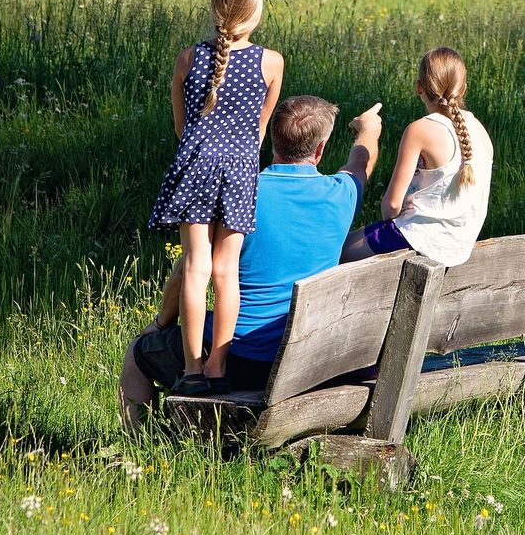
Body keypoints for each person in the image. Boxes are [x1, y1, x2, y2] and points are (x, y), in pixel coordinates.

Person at [120, 96, 383, 432]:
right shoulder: (341, 193)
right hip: (309, 356)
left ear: (273, 139)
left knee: (139, 353)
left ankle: (140, 445)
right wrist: (368, 130)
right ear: (319, 150)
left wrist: (161, 323)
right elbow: (361, 163)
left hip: (239, 356)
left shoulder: (242, 195)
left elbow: (192, 267)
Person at [145, 0, 284, 397]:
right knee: (227, 272)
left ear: (214, 9)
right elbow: (260, 130)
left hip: (195, 164)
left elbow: (180, 126)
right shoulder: (271, 62)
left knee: (194, 267)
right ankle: (219, 365)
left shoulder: (188, 59)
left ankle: (191, 368)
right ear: (256, 15)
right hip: (240, 168)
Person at [341, 46, 493, 268]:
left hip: (420, 237)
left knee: (336, 251)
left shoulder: (420, 130)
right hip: (457, 245)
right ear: (464, 89)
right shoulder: (478, 129)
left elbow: (391, 206)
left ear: (419, 87)